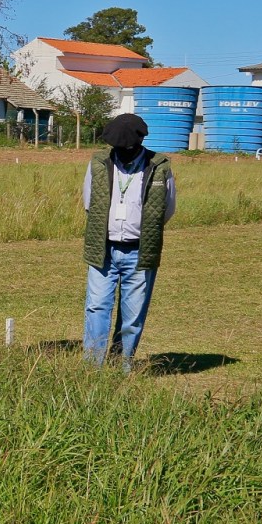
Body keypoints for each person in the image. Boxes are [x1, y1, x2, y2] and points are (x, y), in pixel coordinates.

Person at [82, 113, 176, 372]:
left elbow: (166, 210)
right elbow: (89, 203)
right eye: (117, 148)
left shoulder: (160, 167)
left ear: (140, 143)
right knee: (97, 306)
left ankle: (122, 367)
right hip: (104, 249)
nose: (122, 152)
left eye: (127, 148)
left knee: (132, 316)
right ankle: (93, 368)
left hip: (140, 251)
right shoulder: (98, 163)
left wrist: (141, 230)